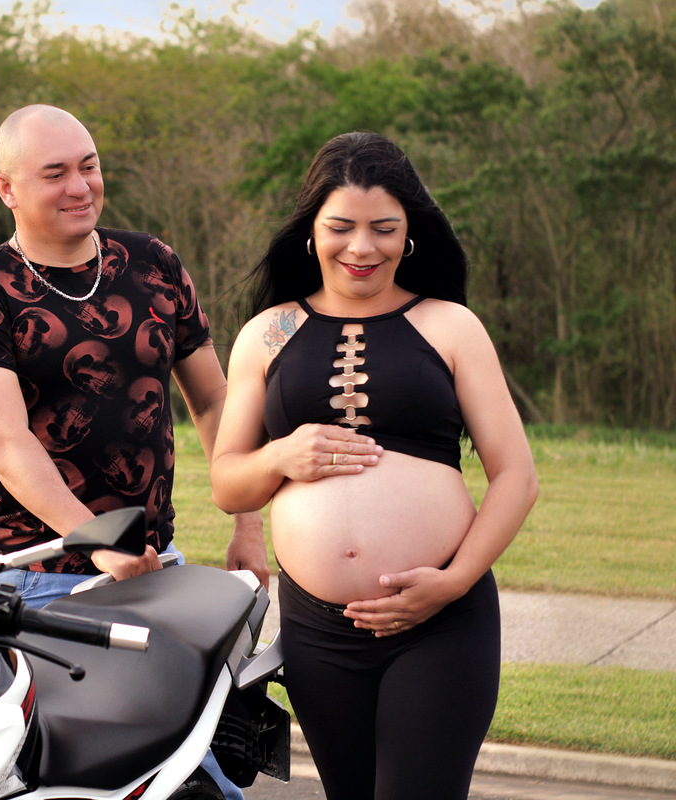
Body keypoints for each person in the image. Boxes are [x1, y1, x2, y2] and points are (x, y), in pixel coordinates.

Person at [0, 103, 265, 800]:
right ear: (7, 189)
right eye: (54, 173)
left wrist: (248, 526)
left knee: (181, 776)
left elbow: (214, 402)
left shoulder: (153, 263)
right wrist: (94, 542)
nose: (80, 185)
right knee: (74, 783)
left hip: (155, 569)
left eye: (89, 166)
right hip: (35, 583)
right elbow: (6, 440)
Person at [210, 132, 538, 800]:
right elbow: (227, 483)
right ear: (311, 232)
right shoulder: (267, 334)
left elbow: (516, 477)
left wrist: (451, 583)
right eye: (341, 228)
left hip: (440, 624)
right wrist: (279, 454)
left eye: (384, 229)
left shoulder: (451, 326)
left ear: (410, 232)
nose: (362, 248)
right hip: (317, 632)